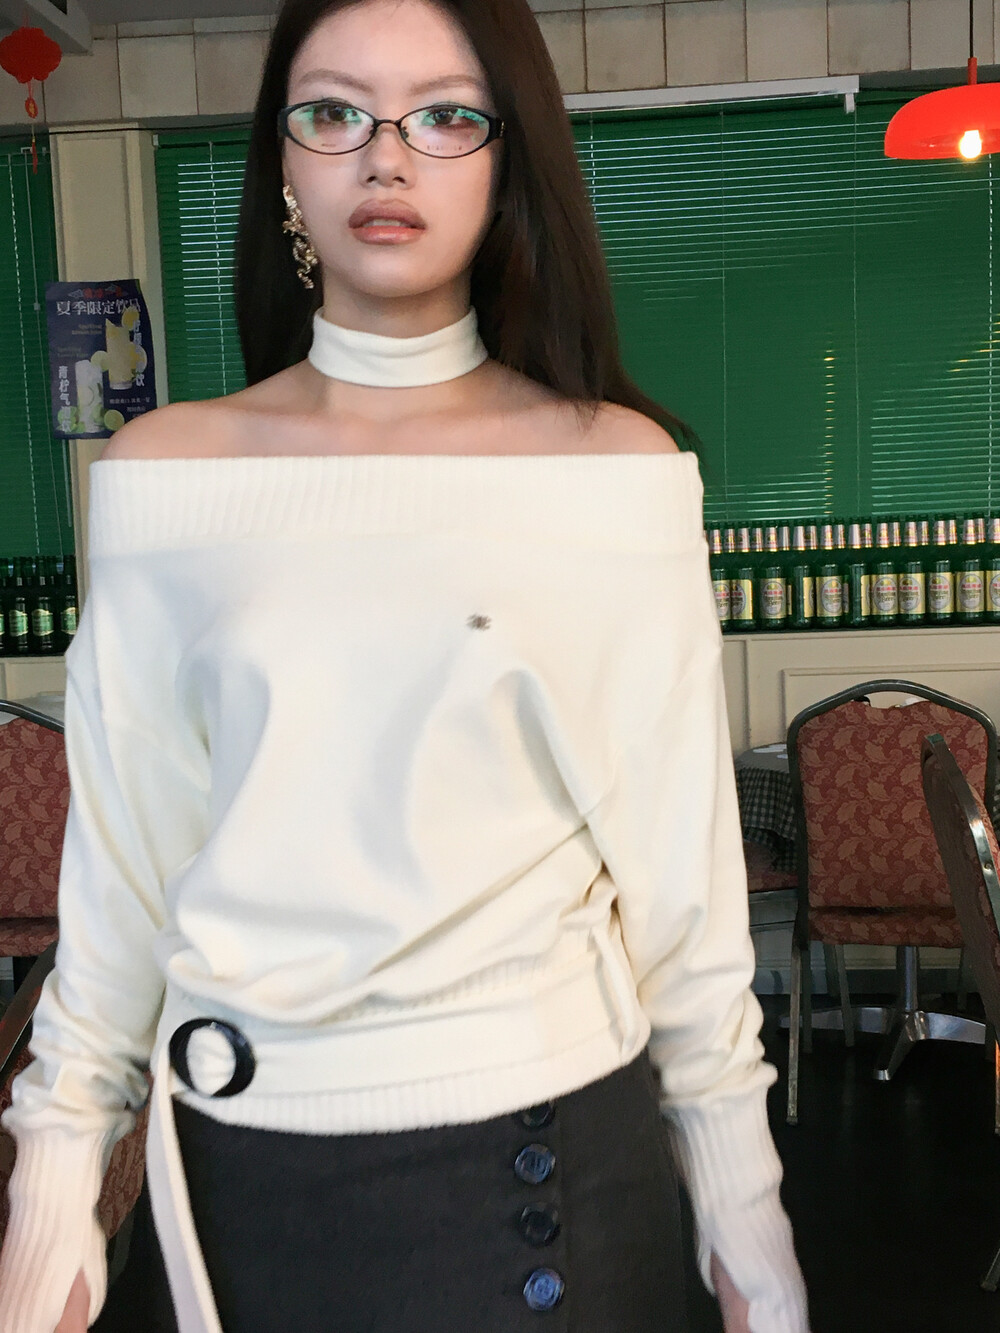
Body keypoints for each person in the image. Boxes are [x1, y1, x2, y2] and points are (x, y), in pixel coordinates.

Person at [0, 0, 810, 1330]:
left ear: (508, 159)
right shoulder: (165, 479)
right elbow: (121, 879)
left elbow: (685, 889)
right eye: (334, 112)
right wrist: (53, 1185)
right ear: (283, 162)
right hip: (237, 1173)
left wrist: (744, 1213)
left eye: (445, 115)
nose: (386, 155)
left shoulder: (614, 472)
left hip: (545, 1165)